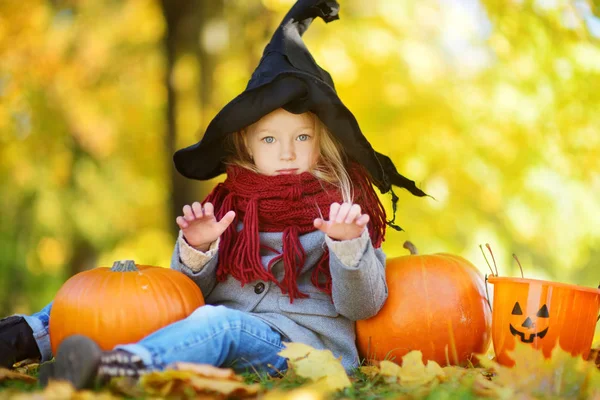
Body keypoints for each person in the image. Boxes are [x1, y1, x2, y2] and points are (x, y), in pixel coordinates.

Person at [0, 0, 427, 389]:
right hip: (214, 326)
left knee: (220, 324)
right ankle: (24, 337)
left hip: (302, 350)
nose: (286, 152)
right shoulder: (228, 204)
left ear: (322, 142)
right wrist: (197, 251)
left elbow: (363, 306)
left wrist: (348, 247)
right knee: (119, 291)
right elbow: (183, 293)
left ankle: (121, 366)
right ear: (246, 146)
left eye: (301, 136)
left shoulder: (342, 208)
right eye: (269, 140)